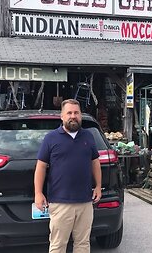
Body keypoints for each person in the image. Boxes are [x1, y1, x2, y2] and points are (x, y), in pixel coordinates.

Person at [34, 99, 102, 253]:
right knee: (58, 245)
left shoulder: (88, 137)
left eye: (76, 113)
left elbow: (95, 162)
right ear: (62, 116)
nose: (73, 116)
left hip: (85, 202)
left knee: (83, 244)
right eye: (69, 113)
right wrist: (38, 193)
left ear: (81, 115)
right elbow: (41, 166)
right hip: (60, 202)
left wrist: (98, 186)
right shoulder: (51, 138)